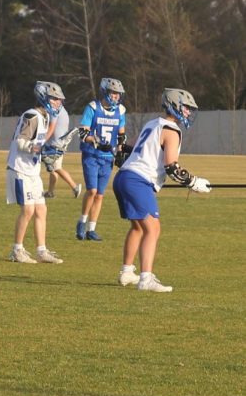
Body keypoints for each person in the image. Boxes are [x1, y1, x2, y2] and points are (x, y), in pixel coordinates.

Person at [112, 88, 210, 292]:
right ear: (174, 106)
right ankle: (146, 278)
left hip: (123, 178)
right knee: (153, 228)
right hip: (138, 181)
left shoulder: (153, 123)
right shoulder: (172, 130)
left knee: (139, 227)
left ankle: (127, 271)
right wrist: (194, 183)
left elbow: (130, 147)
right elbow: (171, 167)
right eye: (185, 109)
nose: (188, 113)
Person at [6, 81, 65, 265]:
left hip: (32, 170)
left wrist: (46, 151)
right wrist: (38, 149)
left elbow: (37, 144)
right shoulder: (31, 115)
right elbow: (21, 142)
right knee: (28, 210)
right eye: (54, 99)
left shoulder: (44, 117)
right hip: (20, 169)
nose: (58, 103)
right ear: (43, 97)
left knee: (41, 209)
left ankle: (41, 251)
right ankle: (17, 250)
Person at [76, 77, 127, 241]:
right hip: (92, 155)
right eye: (113, 93)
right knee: (91, 190)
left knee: (100, 194)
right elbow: (83, 133)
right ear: (105, 92)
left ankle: (92, 229)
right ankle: (82, 222)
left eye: (118, 94)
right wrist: (97, 142)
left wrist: (120, 152)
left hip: (107, 158)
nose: (116, 97)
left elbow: (121, 135)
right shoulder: (92, 107)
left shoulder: (121, 111)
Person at [41, 104, 82, 199]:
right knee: (54, 168)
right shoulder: (62, 110)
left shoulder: (56, 110)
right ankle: (50, 192)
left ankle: (74, 187)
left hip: (56, 144)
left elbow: (52, 127)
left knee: (56, 168)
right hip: (59, 143)